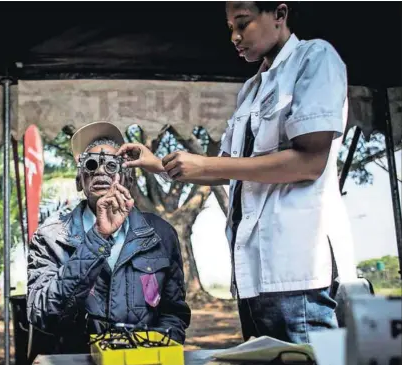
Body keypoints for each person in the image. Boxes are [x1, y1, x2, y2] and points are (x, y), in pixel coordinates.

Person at [116, 1, 357, 344]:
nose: (235, 36)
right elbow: (228, 166)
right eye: (230, 27)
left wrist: (208, 163)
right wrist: (156, 163)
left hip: (300, 270)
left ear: (279, 14)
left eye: (243, 23)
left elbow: (309, 162)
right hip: (253, 274)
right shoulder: (251, 90)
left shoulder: (315, 59)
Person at [26, 121, 191, 354]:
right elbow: (43, 314)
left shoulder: (161, 234)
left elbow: (173, 313)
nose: (101, 171)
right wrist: (98, 237)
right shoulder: (50, 237)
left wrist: (155, 350)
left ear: (129, 180)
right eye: (91, 164)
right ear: (79, 180)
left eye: (112, 165)